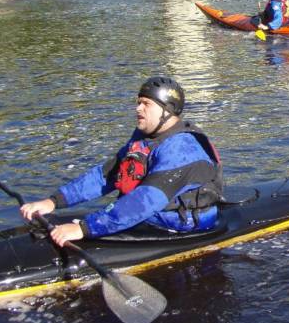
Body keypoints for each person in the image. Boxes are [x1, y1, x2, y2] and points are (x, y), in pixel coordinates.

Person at [19, 77, 223, 247]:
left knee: (84, 225)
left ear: (167, 110)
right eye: (138, 102)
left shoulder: (183, 149)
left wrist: (84, 228)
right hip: (149, 214)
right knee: (47, 225)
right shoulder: (144, 137)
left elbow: (145, 200)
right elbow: (105, 175)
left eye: (146, 104)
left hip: (178, 225)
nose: (138, 109)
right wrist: (54, 201)